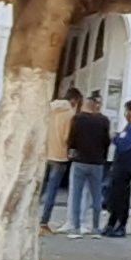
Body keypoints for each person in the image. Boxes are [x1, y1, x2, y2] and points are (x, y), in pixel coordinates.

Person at [66, 94, 112, 237]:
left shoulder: (78, 119)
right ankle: (96, 228)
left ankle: (76, 228)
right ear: (97, 106)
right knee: (96, 196)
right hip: (97, 163)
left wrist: (73, 151)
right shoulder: (104, 121)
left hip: (80, 161)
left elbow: (72, 139)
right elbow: (107, 141)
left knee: (76, 196)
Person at [38, 89, 79, 234]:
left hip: (45, 153)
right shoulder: (70, 115)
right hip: (60, 155)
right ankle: (43, 222)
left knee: (39, 189)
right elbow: (68, 136)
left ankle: (28, 218)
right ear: (74, 100)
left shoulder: (49, 109)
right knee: (52, 191)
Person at [105, 100, 131, 237]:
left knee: (120, 195)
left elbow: (125, 145)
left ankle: (119, 223)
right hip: (127, 163)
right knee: (118, 193)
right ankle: (113, 223)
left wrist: (114, 138)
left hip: (125, 164)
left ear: (130, 111)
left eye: (126, 111)